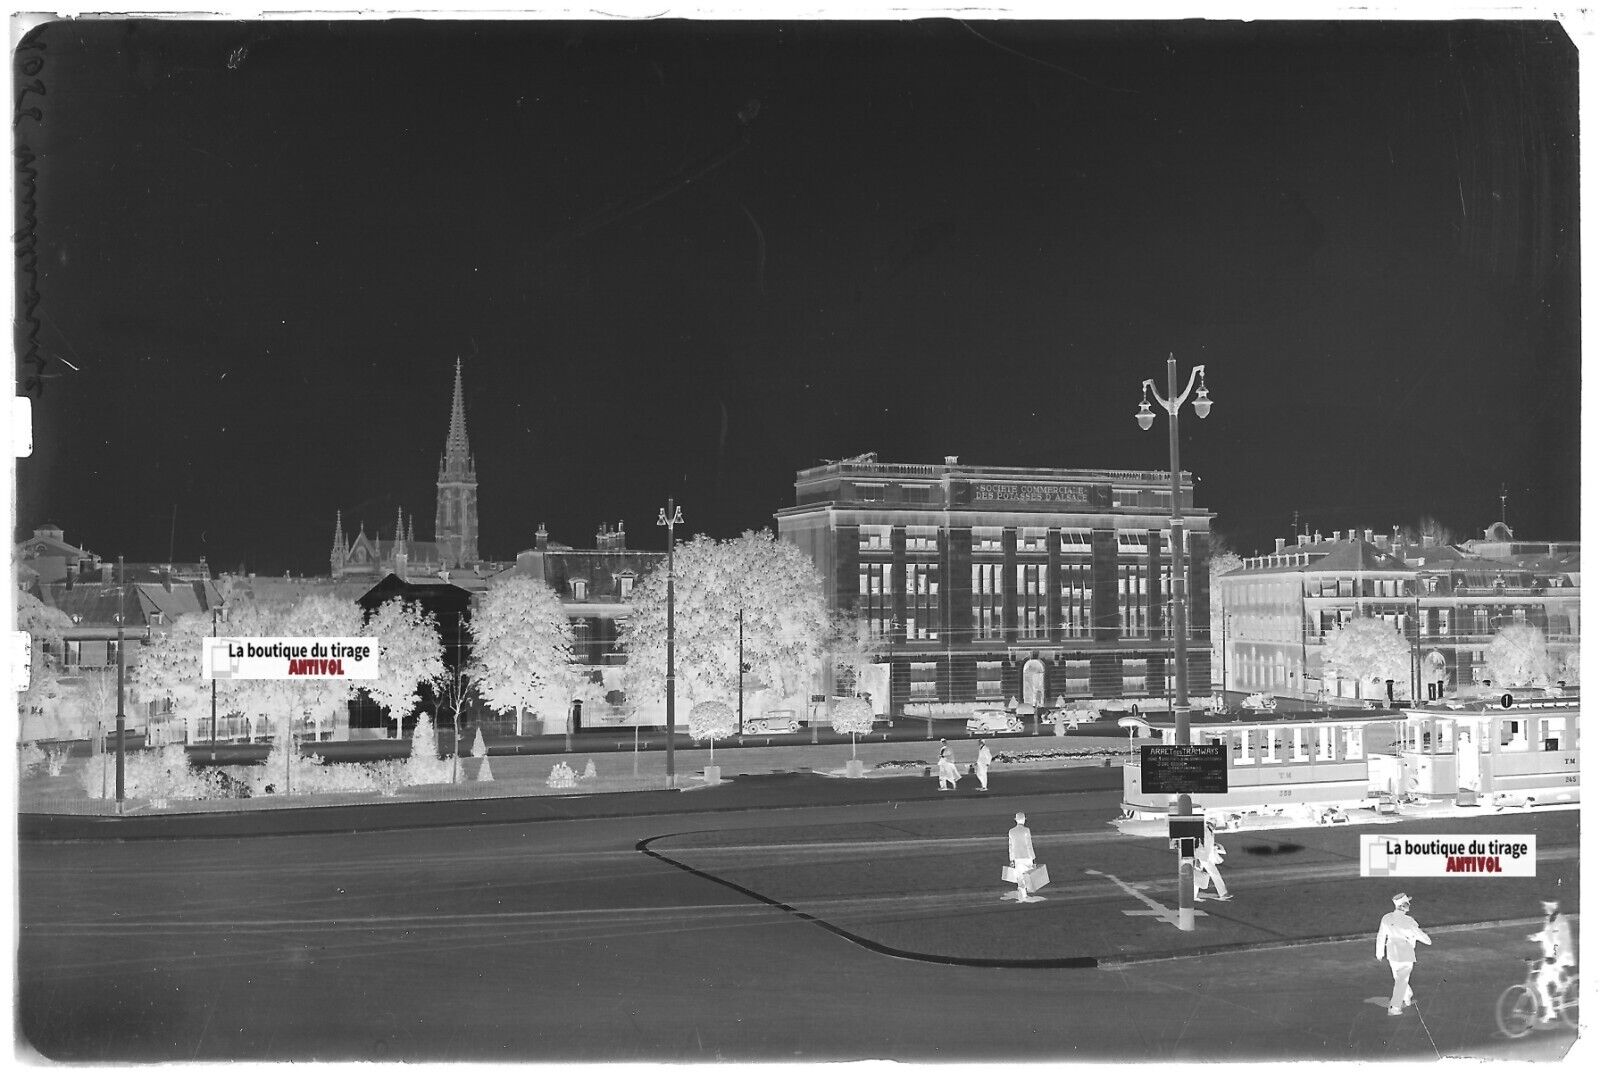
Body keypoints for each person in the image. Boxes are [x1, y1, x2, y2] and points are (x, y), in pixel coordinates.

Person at [1376, 892, 1432, 1015]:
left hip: (1392, 952)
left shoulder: (1386, 918)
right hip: (1405, 952)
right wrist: (1428, 940)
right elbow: (1420, 935)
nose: (1409, 905)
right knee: (1401, 979)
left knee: (1399, 977)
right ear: (1403, 906)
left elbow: (1381, 936)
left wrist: (1379, 953)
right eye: (1407, 903)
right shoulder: (1409, 921)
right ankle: (1396, 1006)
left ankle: (1406, 997)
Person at [1528, 899, 1576, 1023]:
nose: (1544, 908)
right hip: (1552, 957)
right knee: (1554, 981)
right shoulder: (1551, 919)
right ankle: (1562, 993)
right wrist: (1535, 937)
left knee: (1541, 982)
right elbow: (1546, 934)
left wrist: (1554, 958)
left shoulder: (1559, 921)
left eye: (1546, 906)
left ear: (1552, 906)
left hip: (1556, 958)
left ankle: (1550, 1012)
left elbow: (1558, 942)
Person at [1006, 812, 1042, 902]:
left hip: (1017, 858)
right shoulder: (1026, 830)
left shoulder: (1011, 831)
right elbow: (1029, 845)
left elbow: (1011, 847)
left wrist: (1011, 859)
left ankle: (1022, 895)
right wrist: (1033, 858)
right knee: (1027, 875)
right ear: (1024, 820)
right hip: (1027, 857)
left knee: (1020, 877)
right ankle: (1025, 894)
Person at [1193, 818, 1231, 902]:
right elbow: (1200, 843)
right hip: (1202, 857)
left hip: (1205, 857)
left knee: (1199, 875)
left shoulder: (1209, 831)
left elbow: (1206, 844)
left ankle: (1194, 895)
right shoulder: (1206, 831)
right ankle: (1223, 893)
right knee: (1213, 874)